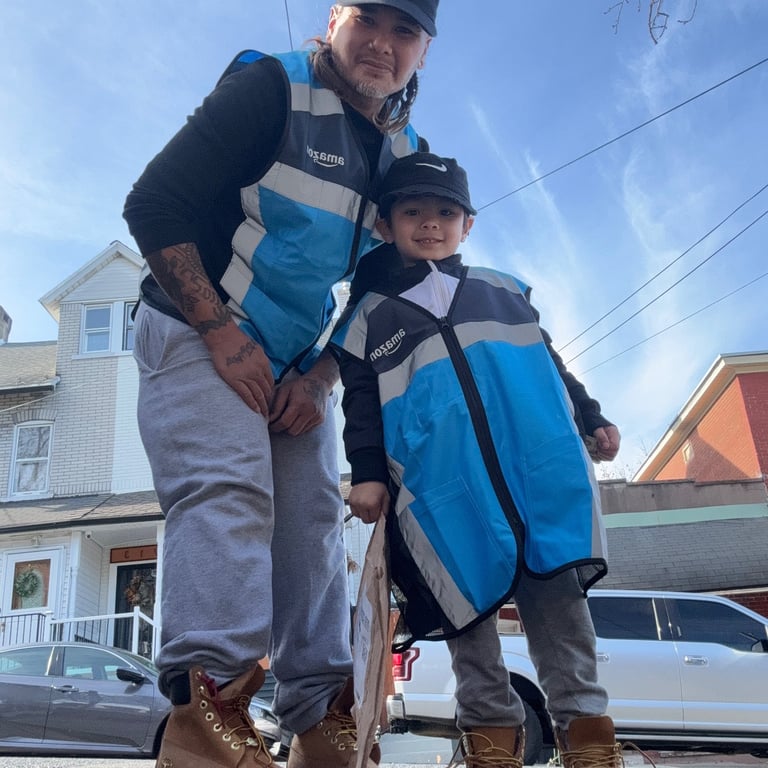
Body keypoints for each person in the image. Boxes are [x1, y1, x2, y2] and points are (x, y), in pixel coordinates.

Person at [122, 3, 438, 766]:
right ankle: (206, 716)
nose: (382, 44)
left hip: (293, 361)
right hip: (198, 325)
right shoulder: (271, 88)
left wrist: (323, 374)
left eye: (405, 32)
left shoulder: (405, 154)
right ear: (335, 18)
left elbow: (385, 282)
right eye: (368, 19)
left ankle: (319, 720)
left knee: (311, 523)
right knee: (231, 490)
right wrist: (219, 332)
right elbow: (153, 203)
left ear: (424, 51)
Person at [329, 153, 623, 768]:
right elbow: (361, 405)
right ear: (385, 225)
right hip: (447, 493)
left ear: (468, 224)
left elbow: (552, 365)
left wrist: (590, 416)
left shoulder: (505, 289)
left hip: (536, 478)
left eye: (445, 212)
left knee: (562, 616)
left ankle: (591, 747)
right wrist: (369, 473)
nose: (429, 223)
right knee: (468, 622)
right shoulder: (367, 320)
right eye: (413, 212)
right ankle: (490, 748)